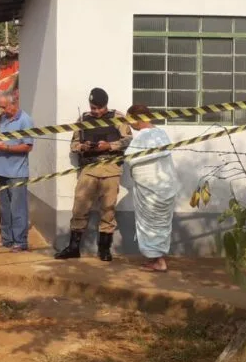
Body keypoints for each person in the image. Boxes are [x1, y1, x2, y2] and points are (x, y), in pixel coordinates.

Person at [55, 87, 132, 262]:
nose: (95, 111)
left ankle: (104, 249)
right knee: (79, 208)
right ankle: (74, 248)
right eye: (93, 108)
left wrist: (109, 146)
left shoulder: (117, 117)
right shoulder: (83, 119)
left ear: (106, 105)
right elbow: (74, 144)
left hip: (111, 169)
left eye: (99, 108)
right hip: (88, 170)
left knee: (108, 209)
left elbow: (128, 140)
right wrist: (83, 146)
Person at [124, 104, 179, 272]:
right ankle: (158, 259)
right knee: (160, 224)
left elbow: (130, 158)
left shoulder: (143, 136)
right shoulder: (161, 133)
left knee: (151, 224)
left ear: (137, 119)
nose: (130, 125)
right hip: (166, 188)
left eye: (130, 121)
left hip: (151, 191)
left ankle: (158, 261)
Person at [0, 92, 34, 251]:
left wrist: (7, 147)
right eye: (0, 107)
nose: (1, 110)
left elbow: (28, 146)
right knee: (5, 208)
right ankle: (6, 239)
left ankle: (20, 242)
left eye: (3, 107)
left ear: (13, 104)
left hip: (17, 173)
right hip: (2, 170)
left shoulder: (25, 121)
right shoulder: (3, 119)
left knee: (18, 208)